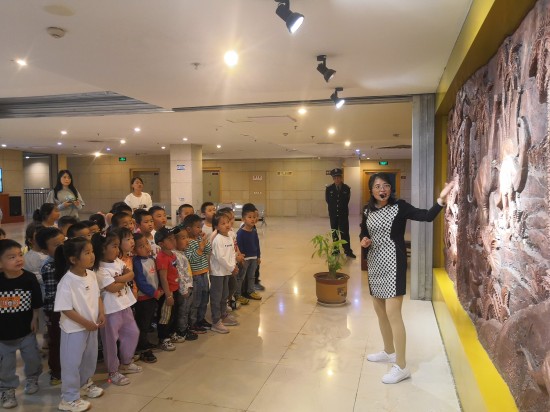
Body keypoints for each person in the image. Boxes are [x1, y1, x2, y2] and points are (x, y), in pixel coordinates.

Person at [359, 173, 455, 384]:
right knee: (380, 312)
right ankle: (389, 351)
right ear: (371, 190)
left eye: (386, 185)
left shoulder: (399, 207)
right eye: (377, 186)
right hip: (375, 264)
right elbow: (363, 231)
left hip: (393, 264)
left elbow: (426, 216)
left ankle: (401, 367)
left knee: (393, 314)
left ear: (391, 189)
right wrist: (364, 240)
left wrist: (441, 200)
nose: (382, 189)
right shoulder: (367, 210)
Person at [54, 237, 104, 411]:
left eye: (92, 251)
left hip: (91, 326)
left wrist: (101, 313)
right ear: (73, 259)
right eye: (87, 253)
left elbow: (97, 296)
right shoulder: (67, 281)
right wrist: (85, 323)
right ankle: (68, 398)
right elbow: (65, 309)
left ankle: (84, 384)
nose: (92, 256)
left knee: (89, 359)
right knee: (71, 363)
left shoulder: (91, 274)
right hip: (74, 329)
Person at [91, 232, 141, 386]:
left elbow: (131, 274)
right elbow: (112, 288)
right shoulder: (99, 269)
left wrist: (117, 279)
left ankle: (126, 362)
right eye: (114, 246)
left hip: (125, 305)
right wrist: (123, 280)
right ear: (102, 249)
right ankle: (113, 371)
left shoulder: (117, 261)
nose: (117, 249)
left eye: (118, 246)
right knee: (110, 342)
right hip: (109, 310)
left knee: (133, 333)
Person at [0, 239, 43, 409]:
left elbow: (36, 303)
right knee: (5, 365)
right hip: (3, 335)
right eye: (11, 257)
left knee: (32, 358)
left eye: (19, 255)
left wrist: (34, 319)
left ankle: (32, 378)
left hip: (26, 331)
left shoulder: (29, 278)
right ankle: (7, 389)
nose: (18, 259)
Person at [36, 227, 65, 386]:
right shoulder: (49, 267)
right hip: (56, 311)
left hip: (68, 309)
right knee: (57, 341)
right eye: (56, 245)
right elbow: (53, 295)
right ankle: (56, 372)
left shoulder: (68, 260)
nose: (62, 247)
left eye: (63, 242)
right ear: (45, 251)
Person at [132, 233, 163, 362]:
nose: (146, 247)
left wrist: (159, 289)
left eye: (147, 243)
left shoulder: (151, 259)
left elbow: (155, 276)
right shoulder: (136, 262)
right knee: (142, 324)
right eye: (141, 246)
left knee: (148, 322)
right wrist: (153, 292)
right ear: (134, 250)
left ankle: (144, 342)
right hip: (143, 299)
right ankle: (142, 348)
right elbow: (140, 281)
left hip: (152, 296)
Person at [155, 226, 185, 349]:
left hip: (175, 288)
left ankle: (172, 333)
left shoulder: (172, 255)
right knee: (165, 316)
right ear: (161, 244)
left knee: (173, 314)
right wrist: (168, 295)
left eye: (173, 237)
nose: (173, 240)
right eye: (169, 239)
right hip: (168, 292)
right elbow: (163, 278)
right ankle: (163, 338)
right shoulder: (161, 257)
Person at [209, 211, 239, 334]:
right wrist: (231, 268)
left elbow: (232, 253)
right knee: (217, 297)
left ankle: (223, 315)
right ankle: (216, 321)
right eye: (222, 223)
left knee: (224, 295)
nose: (227, 225)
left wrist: (233, 266)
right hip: (217, 273)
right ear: (216, 226)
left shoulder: (230, 237)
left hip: (227, 271)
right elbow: (220, 257)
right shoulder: (217, 239)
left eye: (227, 222)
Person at [182, 214, 211, 334]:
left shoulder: (199, 239)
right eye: (198, 227)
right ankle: (193, 323)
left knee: (205, 298)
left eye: (201, 227)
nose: (200, 229)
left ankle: (201, 319)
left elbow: (208, 250)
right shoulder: (188, 243)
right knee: (196, 300)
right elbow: (191, 259)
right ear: (189, 229)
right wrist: (200, 248)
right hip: (195, 276)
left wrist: (204, 241)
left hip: (204, 273)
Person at [173, 229, 198, 342]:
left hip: (188, 286)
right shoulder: (175, 255)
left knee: (187, 309)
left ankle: (186, 327)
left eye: (187, 237)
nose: (187, 240)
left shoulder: (181, 253)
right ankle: (182, 331)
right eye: (183, 238)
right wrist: (184, 290)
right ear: (175, 241)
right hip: (183, 290)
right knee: (183, 311)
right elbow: (179, 275)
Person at [326, 168, 356, 258]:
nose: (337, 179)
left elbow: (346, 201)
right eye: (335, 178)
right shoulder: (329, 189)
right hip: (333, 214)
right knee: (334, 233)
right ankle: (336, 250)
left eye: (338, 177)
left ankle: (347, 250)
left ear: (341, 178)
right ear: (333, 179)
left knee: (345, 232)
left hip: (343, 215)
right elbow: (328, 201)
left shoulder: (346, 188)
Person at [236, 208, 262, 302]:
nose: (252, 219)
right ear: (243, 219)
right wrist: (242, 258)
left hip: (253, 258)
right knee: (241, 277)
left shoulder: (254, 232)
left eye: (254, 217)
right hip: (245, 259)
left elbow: (257, 244)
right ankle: (238, 294)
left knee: (251, 276)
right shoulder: (240, 233)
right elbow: (239, 246)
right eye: (249, 217)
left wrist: (258, 256)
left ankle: (251, 291)